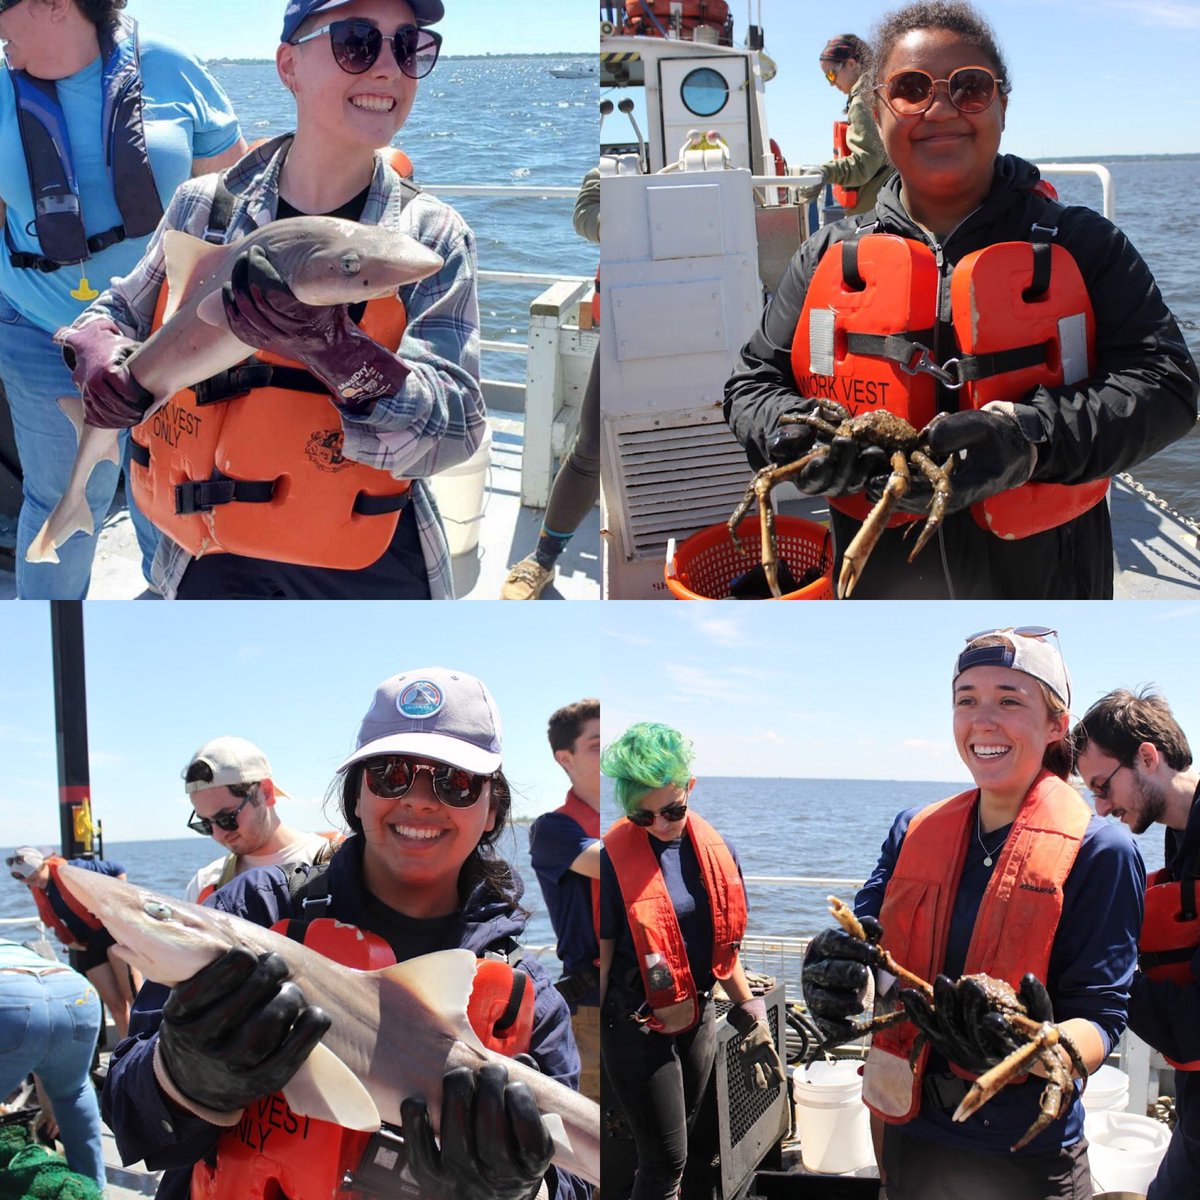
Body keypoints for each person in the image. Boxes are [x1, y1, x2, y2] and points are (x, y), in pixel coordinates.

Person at [725, 0, 1199, 600]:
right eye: (910, 88)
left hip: (1051, 570)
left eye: (971, 88)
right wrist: (789, 435)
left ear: (1003, 105)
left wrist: (1031, 438)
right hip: (876, 572)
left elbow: (1169, 385)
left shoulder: (1086, 245)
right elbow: (752, 382)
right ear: (877, 110)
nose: (941, 108)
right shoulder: (823, 256)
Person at [102, 665, 589, 1200]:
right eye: (390, 775)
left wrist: (523, 1189)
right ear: (356, 795)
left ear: (492, 806)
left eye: (455, 781)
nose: (420, 800)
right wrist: (182, 1072)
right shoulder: (252, 914)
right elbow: (130, 1119)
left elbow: (578, 1182)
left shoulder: (529, 996)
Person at [59, 0, 485, 600]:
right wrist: (96, 346)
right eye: (357, 41)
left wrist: (343, 357)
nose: (388, 67)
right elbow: (118, 311)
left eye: (410, 45)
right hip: (205, 550)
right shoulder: (203, 207)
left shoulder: (431, 239)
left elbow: (456, 430)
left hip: (366, 559)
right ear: (289, 65)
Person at [801, 628, 1144, 1200]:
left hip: (1023, 1153)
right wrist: (831, 973)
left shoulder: (1103, 849)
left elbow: (1102, 1017)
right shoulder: (912, 829)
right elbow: (864, 947)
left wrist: (1036, 1051)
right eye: (967, 700)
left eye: (1010, 700)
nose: (984, 720)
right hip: (908, 1131)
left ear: (1056, 724)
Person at [0, 0, 246, 599]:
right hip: (40, 334)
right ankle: (49, 638)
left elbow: (232, 208)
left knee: (166, 494)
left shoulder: (173, 68)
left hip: (164, 340)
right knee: (57, 496)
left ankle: (164, 625)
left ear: (53, 5)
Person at [599, 721, 784, 1200]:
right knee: (664, 1165)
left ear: (690, 788)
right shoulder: (610, 859)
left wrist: (752, 1015)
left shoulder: (718, 852)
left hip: (697, 1015)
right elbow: (599, 956)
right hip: (636, 1024)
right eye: (644, 817)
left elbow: (724, 951)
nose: (660, 825)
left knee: (686, 1144)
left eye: (673, 810)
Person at [1072, 687, 1200, 1199]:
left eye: (1103, 786)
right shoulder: (1181, 833)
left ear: (1148, 756)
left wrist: (1100, 972)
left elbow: (1192, 1024)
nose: (1101, 809)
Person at [501, 166, 599, 599]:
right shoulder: (608, 172)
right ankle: (542, 558)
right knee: (589, 447)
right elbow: (585, 214)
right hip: (622, 321)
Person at [528, 699, 601, 1101]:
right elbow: (613, 863)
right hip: (594, 1009)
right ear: (565, 758)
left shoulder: (636, 823)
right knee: (598, 1136)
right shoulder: (554, 830)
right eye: (596, 745)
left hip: (654, 999)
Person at [180, 734, 338, 903]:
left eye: (227, 818)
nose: (218, 835)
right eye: (205, 824)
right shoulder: (205, 885)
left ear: (266, 792)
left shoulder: (337, 861)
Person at [0, 938, 105, 1189]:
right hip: (74, 990)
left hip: (7, 993)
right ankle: (93, 1188)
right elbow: (41, 1035)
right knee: (74, 1092)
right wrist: (49, 1109)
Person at [8, 845, 142, 1038]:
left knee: (134, 997)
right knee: (114, 1004)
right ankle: (127, 1052)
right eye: (28, 881)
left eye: (34, 876)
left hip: (111, 934)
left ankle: (150, 1048)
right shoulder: (36, 886)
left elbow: (116, 869)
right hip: (88, 945)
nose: (33, 883)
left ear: (43, 865)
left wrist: (121, 909)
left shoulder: (71, 869)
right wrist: (67, 941)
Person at [796, 35, 891, 217]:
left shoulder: (863, 101)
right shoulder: (878, 91)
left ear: (851, 64)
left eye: (831, 74)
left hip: (874, 214)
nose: (831, 83)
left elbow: (865, 164)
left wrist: (826, 171)